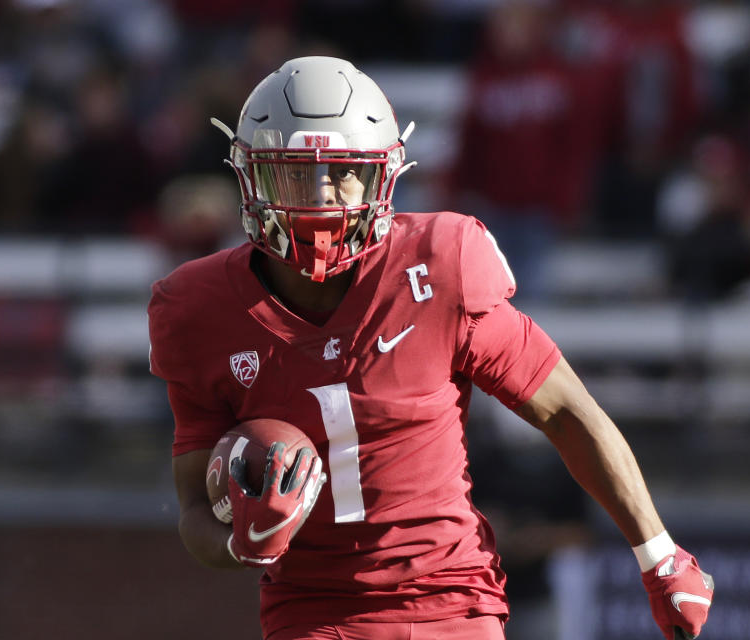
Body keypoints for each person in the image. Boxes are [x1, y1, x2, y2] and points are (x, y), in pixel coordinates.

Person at [148, 56, 714, 640]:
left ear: (382, 176)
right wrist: (243, 542)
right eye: (294, 171)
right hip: (312, 611)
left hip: (453, 602)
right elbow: (195, 509)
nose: (319, 196)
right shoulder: (197, 308)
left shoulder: (438, 264)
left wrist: (659, 556)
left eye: (341, 171)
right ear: (252, 178)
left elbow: (567, 410)